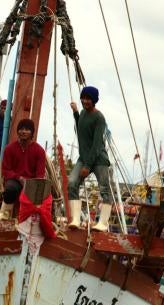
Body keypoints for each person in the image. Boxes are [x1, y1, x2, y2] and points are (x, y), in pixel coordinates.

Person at [68, 86, 112, 232]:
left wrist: (87, 165)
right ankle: (75, 219)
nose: (85, 101)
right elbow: (80, 128)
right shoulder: (82, 113)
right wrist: (75, 113)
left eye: (88, 99)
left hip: (98, 159)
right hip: (84, 157)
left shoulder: (99, 118)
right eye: (83, 98)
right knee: (72, 183)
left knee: (104, 189)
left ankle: (103, 223)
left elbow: (96, 144)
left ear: (94, 101)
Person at [0, 118, 46, 221]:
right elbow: (6, 170)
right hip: (15, 180)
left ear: (32, 133)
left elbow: (40, 174)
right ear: (17, 131)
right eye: (21, 129)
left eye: (27, 129)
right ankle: (5, 213)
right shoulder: (9, 148)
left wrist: (31, 183)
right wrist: (19, 178)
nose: (23, 132)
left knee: (39, 195)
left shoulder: (39, 151)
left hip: (32, 183)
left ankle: (29, 219)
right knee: (10, 188)